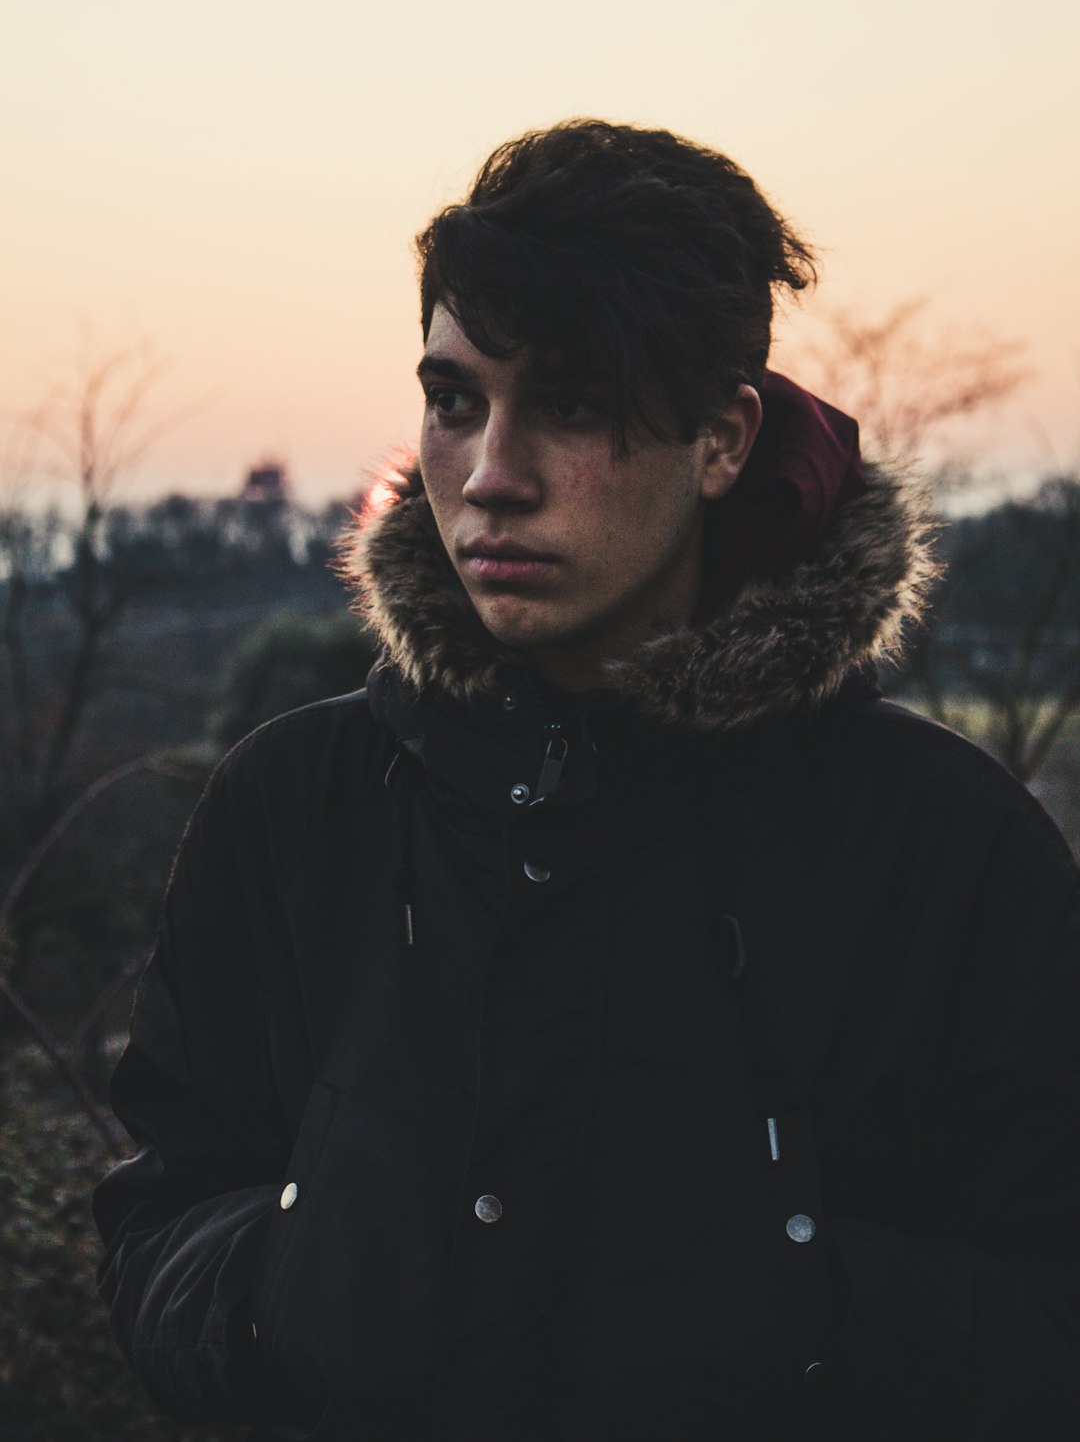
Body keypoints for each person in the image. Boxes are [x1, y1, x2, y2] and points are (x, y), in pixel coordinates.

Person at [93, 120, 1080, 1441]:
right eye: (455, 401)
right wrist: (294, 1283)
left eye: (572, 404)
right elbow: (163, 1207)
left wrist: (785, 1311)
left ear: (723, 439)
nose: (492, 477)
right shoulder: (294, 802)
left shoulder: (952, 848)